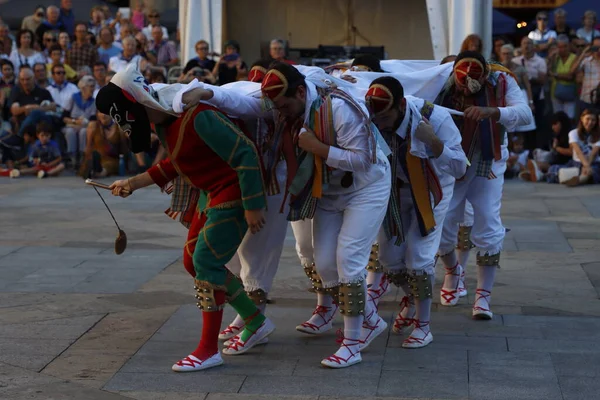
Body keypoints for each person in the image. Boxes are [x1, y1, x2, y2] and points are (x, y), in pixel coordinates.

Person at [187, 61, 392, 368]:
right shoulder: (284, 101)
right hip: (329, 189)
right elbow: (246, 102)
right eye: (276, 107)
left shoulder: (339, 108)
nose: (280, 113)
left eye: (284, 106)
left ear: (300, 91)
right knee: (325, 264)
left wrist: (317, 147)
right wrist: (208, 93)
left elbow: (364, 159)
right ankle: (372, 321)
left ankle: (351, 344)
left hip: (367, 186)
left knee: (348, 259)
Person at [97, 65, 274, 372]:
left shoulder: (198, 116)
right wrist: (133, 183)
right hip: (211, 194)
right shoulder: (167, 123)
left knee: (206, 261)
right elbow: (177, 162)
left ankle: (208, 351)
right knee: (194, 260)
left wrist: (254, 204)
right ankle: (255, 320)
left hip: (233, 193)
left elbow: (245, 152)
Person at [365, 76, 467, 348]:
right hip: (394, 191)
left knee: (419, 257)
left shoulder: (437, 118)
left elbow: (459, 168)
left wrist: (434, 143)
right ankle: (413, 296)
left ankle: (424, 326)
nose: (380, 124)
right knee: (389, 259)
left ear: (400, 104)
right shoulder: (372, 115)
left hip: (431, 191)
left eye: (385, 117)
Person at [434, 51, 533, 320]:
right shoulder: (443, 79)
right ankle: (454, 272)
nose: (467, 90)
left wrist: (493, 111)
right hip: (452, 162)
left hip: (488, 162)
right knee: (441, 225)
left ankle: (483, 298)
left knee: (488, 222)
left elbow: (524, 113)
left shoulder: (502, 80)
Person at [514, 37, 547, 150]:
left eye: (529, 43)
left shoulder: (540, 61)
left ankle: (536, 149)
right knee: (522, 125)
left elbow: (542, 79)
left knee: (537, 123)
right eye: (524, 43)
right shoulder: (516, 61)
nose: (526, 46)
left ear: (534, 47)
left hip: (537, 97)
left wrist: (527, 79)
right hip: (521, 97)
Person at [522, 111, 573, 183]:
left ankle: (539, 175)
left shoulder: (571, 135)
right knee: (536, 163)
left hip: (567, 163)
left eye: (555, 124)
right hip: (556, 162)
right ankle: (536, 173)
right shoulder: (557, 137)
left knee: (549, 167)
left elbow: (571, 152)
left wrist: (557, 148)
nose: (553, 127)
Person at [554, 109, 600, 186]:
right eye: (587, 119)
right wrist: (586, 166)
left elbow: (593, 154)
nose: (590, 122)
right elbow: (578, 152)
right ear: (582, 119)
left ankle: (579, 180)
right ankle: (578, 177)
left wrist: (587, 166)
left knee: (594, 171)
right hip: (577, 163)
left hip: (593, 162)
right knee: (553, 168)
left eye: (593, 120)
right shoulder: (573, 133)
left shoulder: (598, 135)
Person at [78, 111, 127, 178]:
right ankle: (92, 169)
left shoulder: (118, 127)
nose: (103, 115)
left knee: (108, 166)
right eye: (101, 112)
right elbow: (88, 146)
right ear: (97, 115)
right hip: (96, 156)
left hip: (111, 159)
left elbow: (124, 147)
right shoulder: (94, 126)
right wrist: (86, 159)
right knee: (92, 159)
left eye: (106, 112)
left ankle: (97, 172)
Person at [8, 66, 55, 134]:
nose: (25, 82)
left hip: (41, 124)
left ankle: (19, 137)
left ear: (34, 78)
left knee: (35, 113)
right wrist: (26, 108)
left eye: (28, 79)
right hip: (24, 123)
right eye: (22, 79)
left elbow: (53, 107)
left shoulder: (43, 92)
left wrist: (37, 108)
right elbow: (14, 111)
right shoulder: (17, 92)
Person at [62, 75, 96, 168]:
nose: (93, 89)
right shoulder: (73, 98)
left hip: (85, 125)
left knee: (84, 132)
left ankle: (82, 156)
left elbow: (93, 119)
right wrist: (75, 121)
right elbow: (64, 117)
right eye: (91, 86)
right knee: (70, 132)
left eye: (94, 86)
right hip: (71, 124)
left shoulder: (93, 102)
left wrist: (85, 122)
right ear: (83, 88)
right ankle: (72, 157)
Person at [549, 35, 577, 119]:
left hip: (570, 92)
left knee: (569, 118)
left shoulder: (574, 58)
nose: (563, 49)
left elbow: (570, 76)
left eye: (565, 46)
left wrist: (556, 75)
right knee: (558, 118)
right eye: (560, 47)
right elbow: (548, 71)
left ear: (569, 46)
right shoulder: (556, 58)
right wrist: (551, 57)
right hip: (555, 92)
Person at [570, 38, 600, 113]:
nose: (598, 50)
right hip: (587, 99)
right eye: (595, 47)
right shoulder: (586, 60)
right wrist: (583, 53)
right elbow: (572, 71)